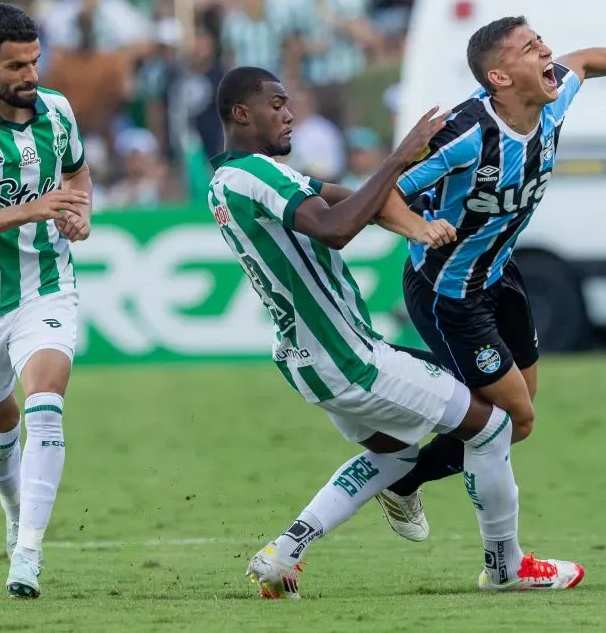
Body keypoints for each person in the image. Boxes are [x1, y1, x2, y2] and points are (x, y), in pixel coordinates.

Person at [208, 66, 584, 596]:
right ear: (241, 114)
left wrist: (416, 225)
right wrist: (398, 158)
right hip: (350, 358)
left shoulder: (229, 181)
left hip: (308, 359)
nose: (289, 113)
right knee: (493, 427)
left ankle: (283, 553)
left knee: (397, 452)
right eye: (276, 104)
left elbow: (355, 201)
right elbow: (338, 228)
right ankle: (506, 568)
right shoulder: (259, 174)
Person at [372, 15, 606, 541]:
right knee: (516, 419)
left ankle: (418, 411)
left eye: (541, 41)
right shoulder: (465, 134)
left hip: (501, 274)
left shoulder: (551, 101)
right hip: (449, 291)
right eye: (530, 48)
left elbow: (587, 60)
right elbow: (379, 194)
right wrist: (419, 225)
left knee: (515, 405)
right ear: (500, 78)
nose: (548, 51)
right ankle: (401, 478)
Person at [0, 3, 93, 599]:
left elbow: (78, 178)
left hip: (45, 284)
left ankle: (29, 553)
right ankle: (14, 513)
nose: (32, 75)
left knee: (45, 399)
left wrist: (77, 214)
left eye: (36, 60)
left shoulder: (59, 113)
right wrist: (32, 208)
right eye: (16, 65)